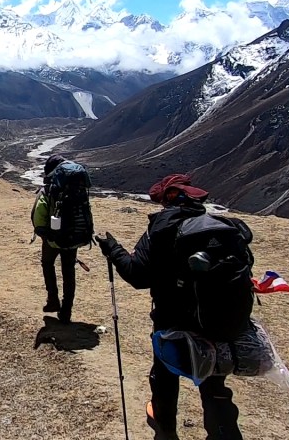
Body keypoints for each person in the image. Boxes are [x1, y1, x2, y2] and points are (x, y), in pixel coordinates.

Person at [96, 174, 243, 440]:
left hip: (171, 319)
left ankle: (165, 432)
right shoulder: (223, 227)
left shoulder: (161, 228)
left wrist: (113, 249)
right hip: (217, 319)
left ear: (167, 200)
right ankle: (224, 432)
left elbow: (138, 276)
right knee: (214, 381)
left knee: (164, 377)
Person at [31, 154, 76, 323]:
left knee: (48, 264)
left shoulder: (49, 188)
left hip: (52, 238)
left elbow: (38, 215)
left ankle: (53, 300)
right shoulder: (75, 186)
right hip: (73, 236)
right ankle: (66, 311)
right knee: (69, 271)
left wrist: (43, 232)